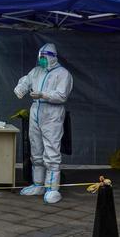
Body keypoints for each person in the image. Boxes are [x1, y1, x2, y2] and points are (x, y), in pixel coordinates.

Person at [14, 43, 73, 204]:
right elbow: (26, 80)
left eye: (44, 58)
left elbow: (61, 95)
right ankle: (38, 184)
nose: (42, 61)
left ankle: (53, 188)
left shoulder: (62, 74)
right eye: (40, 58)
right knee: (36, 149)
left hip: (52, 113)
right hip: (36, 111)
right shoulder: (37, 71)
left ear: (52, 57)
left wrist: (43, 94)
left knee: (52, 150)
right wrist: (20, 88)